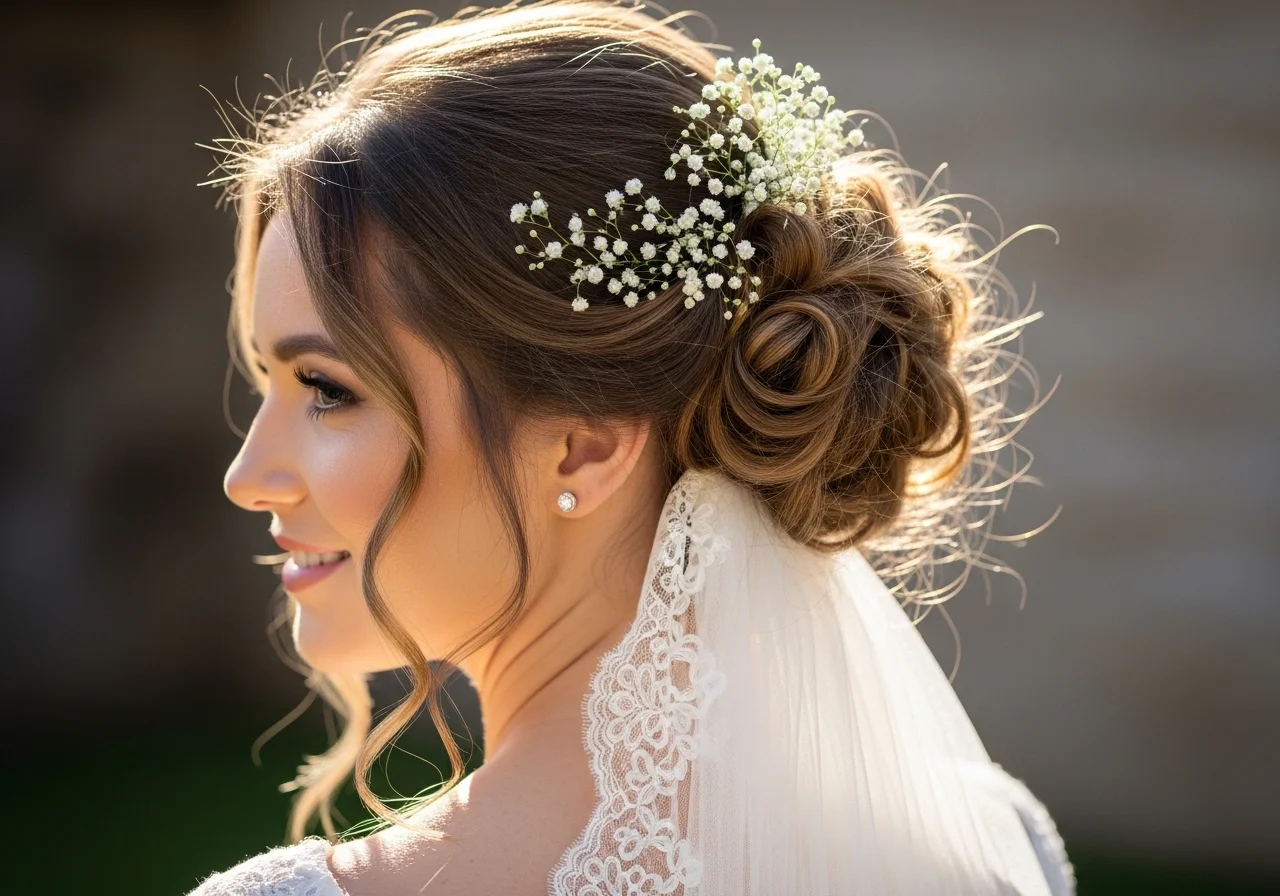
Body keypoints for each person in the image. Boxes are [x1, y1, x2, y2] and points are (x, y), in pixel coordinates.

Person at [190, 0, 1074, 893]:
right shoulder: (987, 849)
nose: (246, 478)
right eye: (269, 380)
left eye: (329, 392)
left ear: (585, 447)